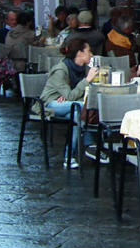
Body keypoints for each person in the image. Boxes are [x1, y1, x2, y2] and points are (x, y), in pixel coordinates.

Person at [37, 37, 99, 169]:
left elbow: (73, 94)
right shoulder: (61, 70)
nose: (91, 54)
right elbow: (71, 95)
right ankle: (90, 145)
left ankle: (70, 156)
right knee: (83, 107)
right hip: (49, 104)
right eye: (89, 51)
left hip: (67, 104)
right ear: (80, 53)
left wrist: (71, 96)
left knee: (77, 115)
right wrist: (87, 80)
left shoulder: (81, 69)